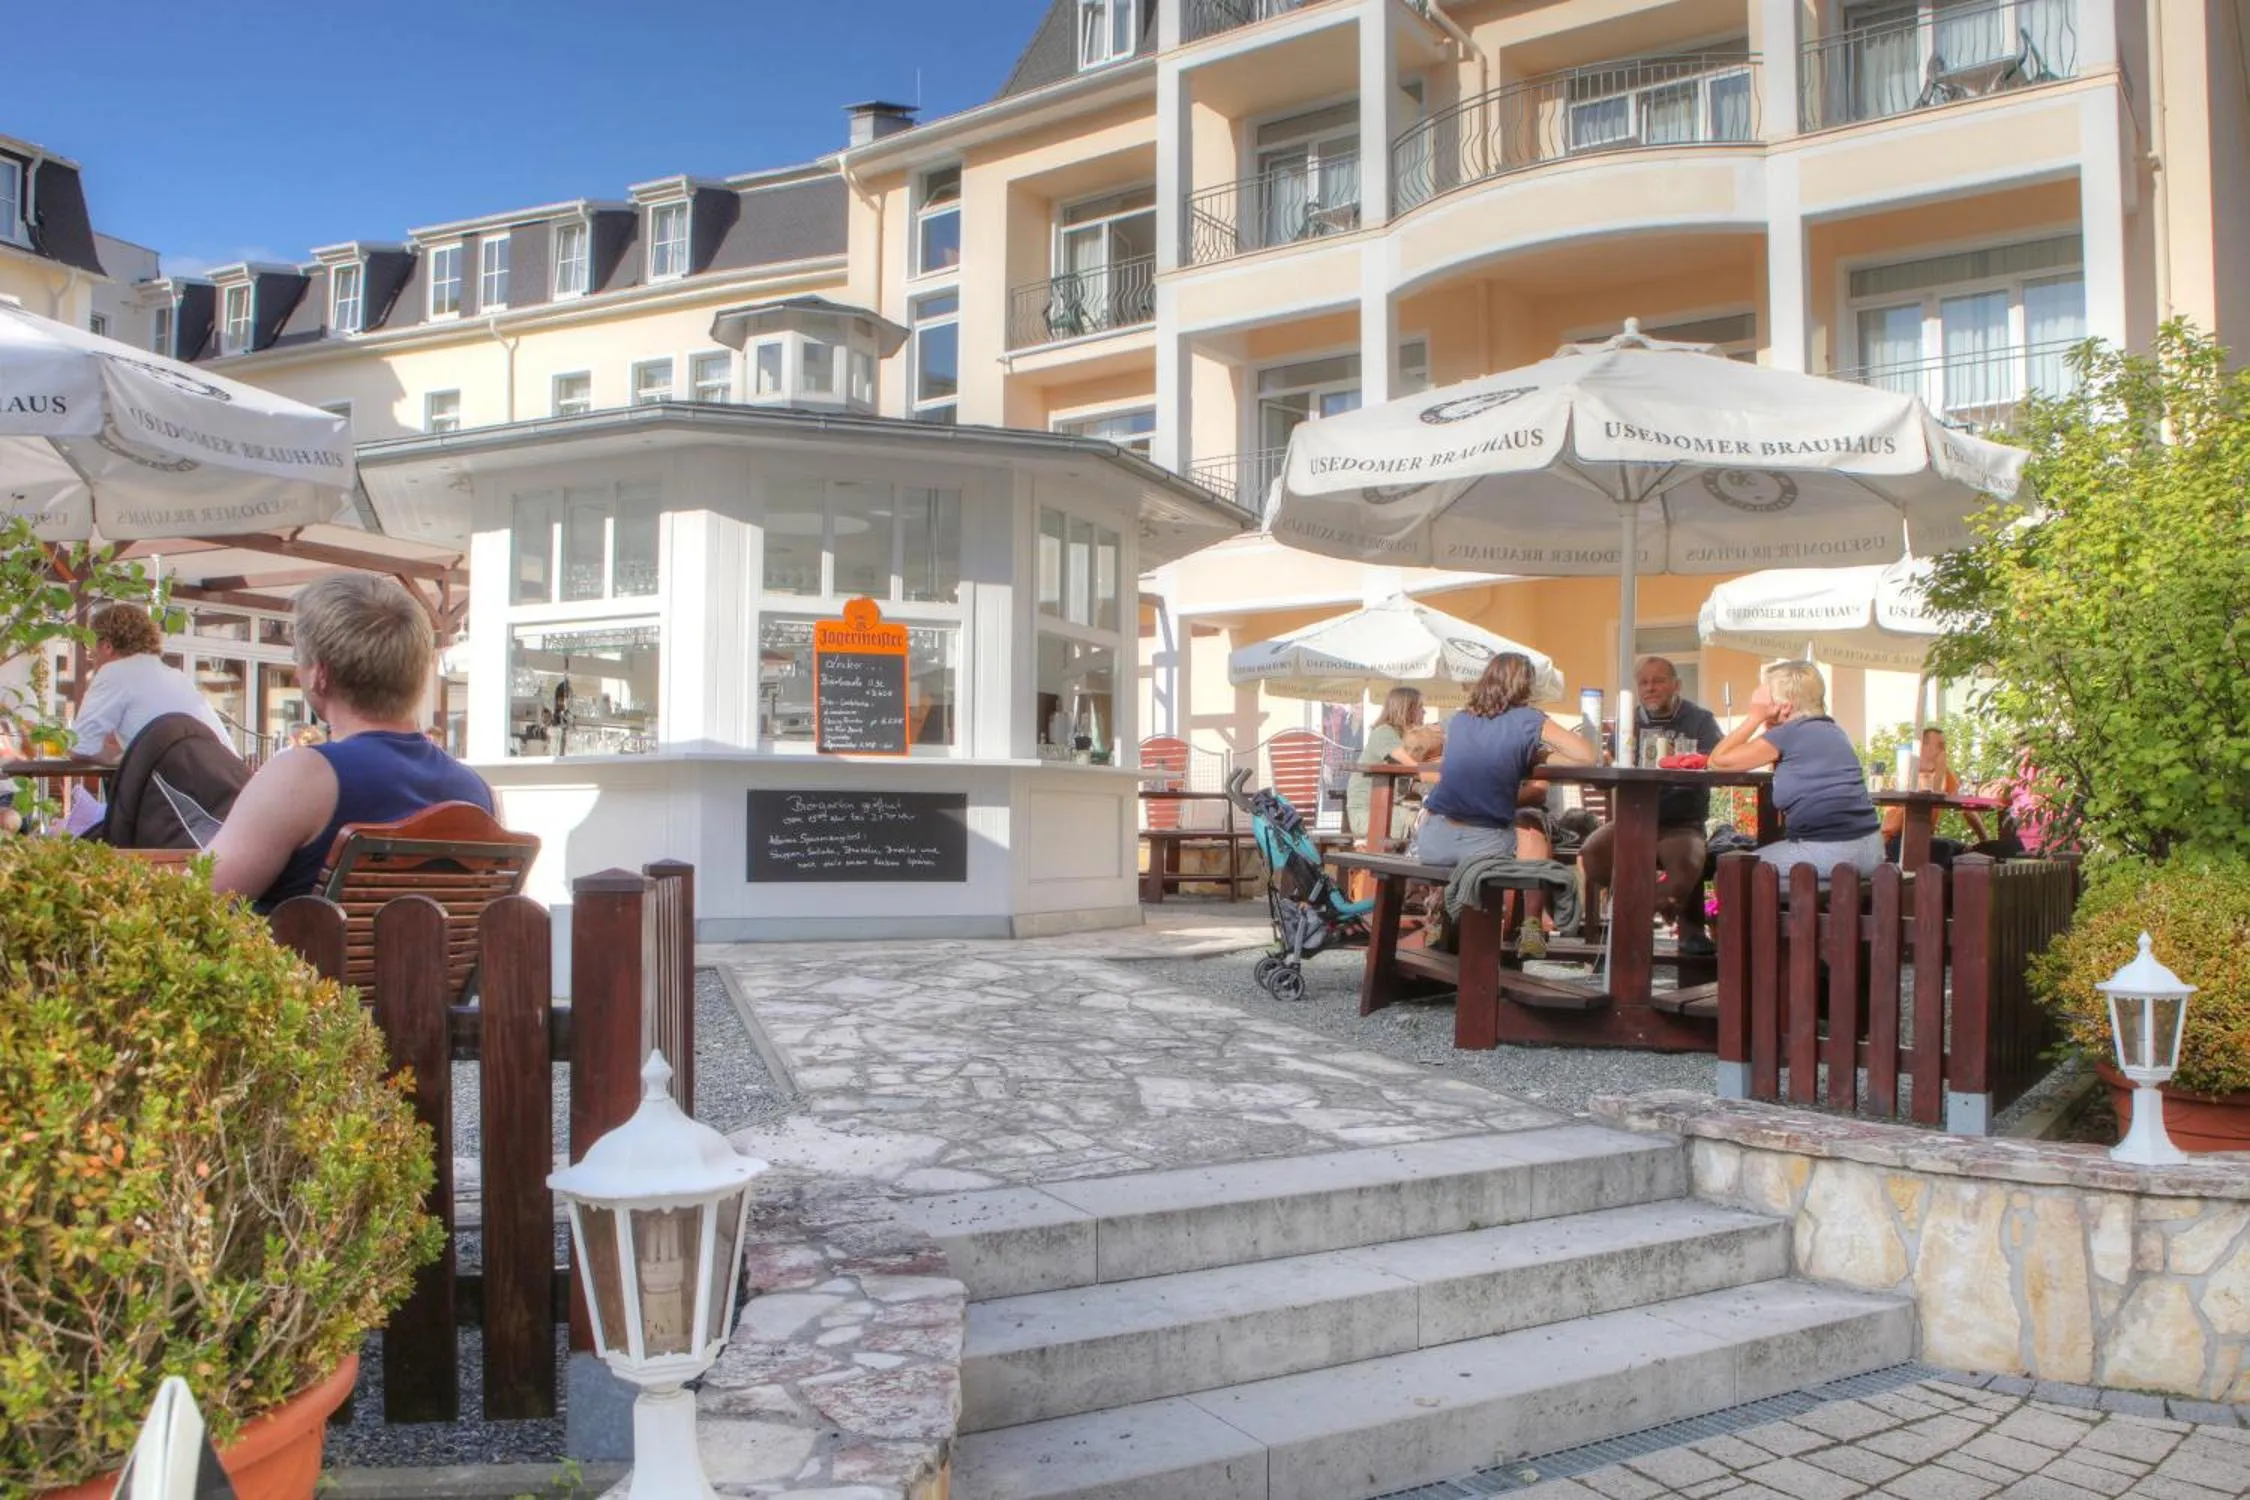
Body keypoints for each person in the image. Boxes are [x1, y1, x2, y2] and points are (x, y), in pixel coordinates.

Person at [210, 574, 493, 910]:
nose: (297, 673)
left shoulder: (303, 776)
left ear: (320, 674)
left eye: (298, 659)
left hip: (308, 963)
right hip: (435, 964)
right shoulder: (477, 793)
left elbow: (192, 904)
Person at [1576, 656, 1724, 953]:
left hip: (1681, 822)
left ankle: (1638, 923)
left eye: (1658, 681)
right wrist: (1600, 761)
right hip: (1634, 820)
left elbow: (1718, 763)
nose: (1650, 688)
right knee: (1591, 855)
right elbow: (1610, 770)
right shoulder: (1629, 722)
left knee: (1684, 869)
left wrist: (1684, 760)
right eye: (1644, 682)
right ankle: (1661, 908)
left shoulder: (1699, 720)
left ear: (1676, 685)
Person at [1708, 660, 1883, 877]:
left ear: (1786, 705)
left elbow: (1718, 761)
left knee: (1729, 874)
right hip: (1871, 849)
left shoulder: (1790, 733)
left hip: (1833, 853)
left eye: (1766, 699)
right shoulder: (1833, 730)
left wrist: (1755, 716)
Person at [1420, 653, 1594, 867]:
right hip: (1483, 846)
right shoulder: (1527, 719)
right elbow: (1586, 756)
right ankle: (1533, 896)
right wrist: (1538, 755)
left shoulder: (1459, 719)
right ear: (1526, 684)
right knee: (1533, 832)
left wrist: (1532, 754)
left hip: (1433, 841)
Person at [70, 604, 232, 761]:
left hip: (184, 784)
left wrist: (122, 760)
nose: (93, 661)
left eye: (92, 652)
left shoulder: (115, 671)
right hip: (231, 778)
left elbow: (81, 747)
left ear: (107, 646)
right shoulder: (177, 677)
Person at [1882, 726, 1987, 867]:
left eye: (1944, 747)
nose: (1943, 751)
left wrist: (1984, 841)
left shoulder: (1944, 774)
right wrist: (1939, 771)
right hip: (1897, 841)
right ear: (1922, 747)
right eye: (1939, 746)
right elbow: (1930, 794)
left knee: (1966, 850)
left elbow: (1966, 808)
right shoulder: (1907, 773)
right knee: (1946, 850)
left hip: (1924, 838)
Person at [1346, 686, 1428, 846]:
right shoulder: (1384, 733)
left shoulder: (1400, 737)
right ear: (1407, 709)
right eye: (1420, 707)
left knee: (1433, 814)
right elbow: (1415, 767)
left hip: (1385, 811)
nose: (1424, 712)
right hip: (1368, 816)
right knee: (1430, 818)